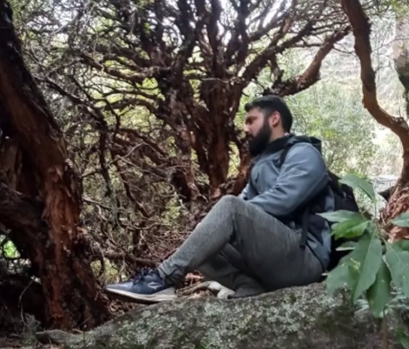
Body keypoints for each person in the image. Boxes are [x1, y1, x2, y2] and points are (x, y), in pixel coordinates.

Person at [105, 95, 334, 303]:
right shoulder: (260, 165)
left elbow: (283, 200)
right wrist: (220, 223)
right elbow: (242, 210)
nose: (245, 128)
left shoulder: (303, 153)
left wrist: (233, 214)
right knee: (204, 235)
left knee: (229, 208)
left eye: (251, 121)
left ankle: (162, 278)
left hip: (305, 259)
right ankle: (249, 286)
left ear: (274, 119)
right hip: (274, 258)